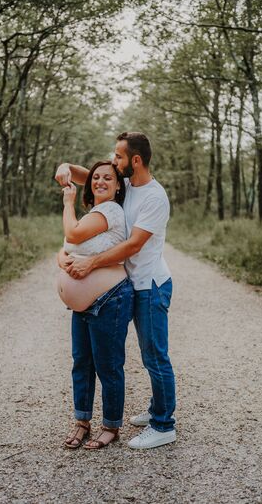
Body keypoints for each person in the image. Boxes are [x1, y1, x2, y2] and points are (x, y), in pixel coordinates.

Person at [55, 132, 176, 449]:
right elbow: (92, 175)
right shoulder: (129, 185)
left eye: (118, 157)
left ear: (134, 161)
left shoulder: (154, 197)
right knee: (138, 356)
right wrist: (65, 166)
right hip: (132, 284)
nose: (114, 160)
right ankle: (155, 412)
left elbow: (133, 245)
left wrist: (92, 263)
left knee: (154, 356)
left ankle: (164, 425)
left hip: (150, 284)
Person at [58, 160, 134, 450]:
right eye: (96, 177)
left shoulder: (110, 210)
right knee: (82, 363)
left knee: (108, 365)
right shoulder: (94, 213)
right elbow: (71, 244)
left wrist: (68, 202)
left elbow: (73, 234)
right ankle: (81, 422)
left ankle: (111, 426)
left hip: (109, 300)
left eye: (108, 178)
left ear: (118, 187)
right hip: (84, 304)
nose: (100, 181)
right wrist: (61, 258)